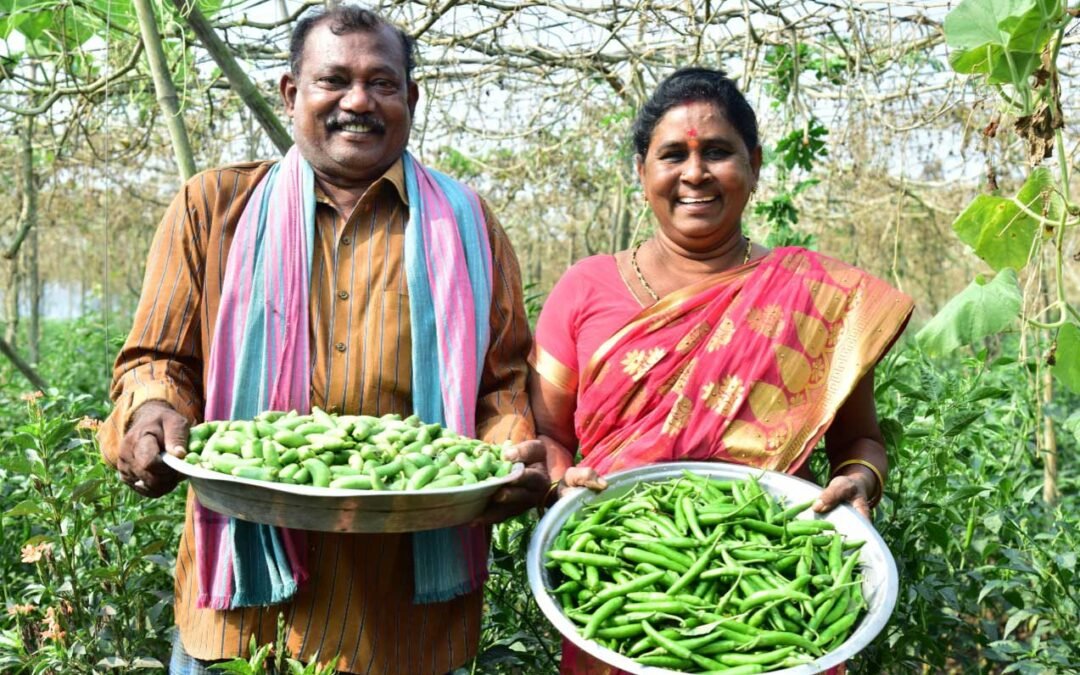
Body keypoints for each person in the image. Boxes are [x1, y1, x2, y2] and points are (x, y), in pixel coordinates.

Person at [97, 6, 547, 674]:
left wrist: (508, 451)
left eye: (382, 83)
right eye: (333, 80)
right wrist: (150, 411)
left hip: (401, 618)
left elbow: (501, 383)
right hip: (242, 620)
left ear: (411, 98)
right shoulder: (212, 208)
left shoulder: (468, 224)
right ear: (291, 93)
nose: (358, 101)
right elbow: (155, 359)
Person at [529, 67, 914, 674]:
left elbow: (860, 442)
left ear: (755, 165)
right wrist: (561, 486)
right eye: (672, 155)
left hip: (777, 583)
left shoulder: (814, 298)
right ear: (641, 171)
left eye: (717, 152)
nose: (695, 173)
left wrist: (860, 482)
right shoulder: (585, 288)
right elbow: (549, 438)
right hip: (615, 579)